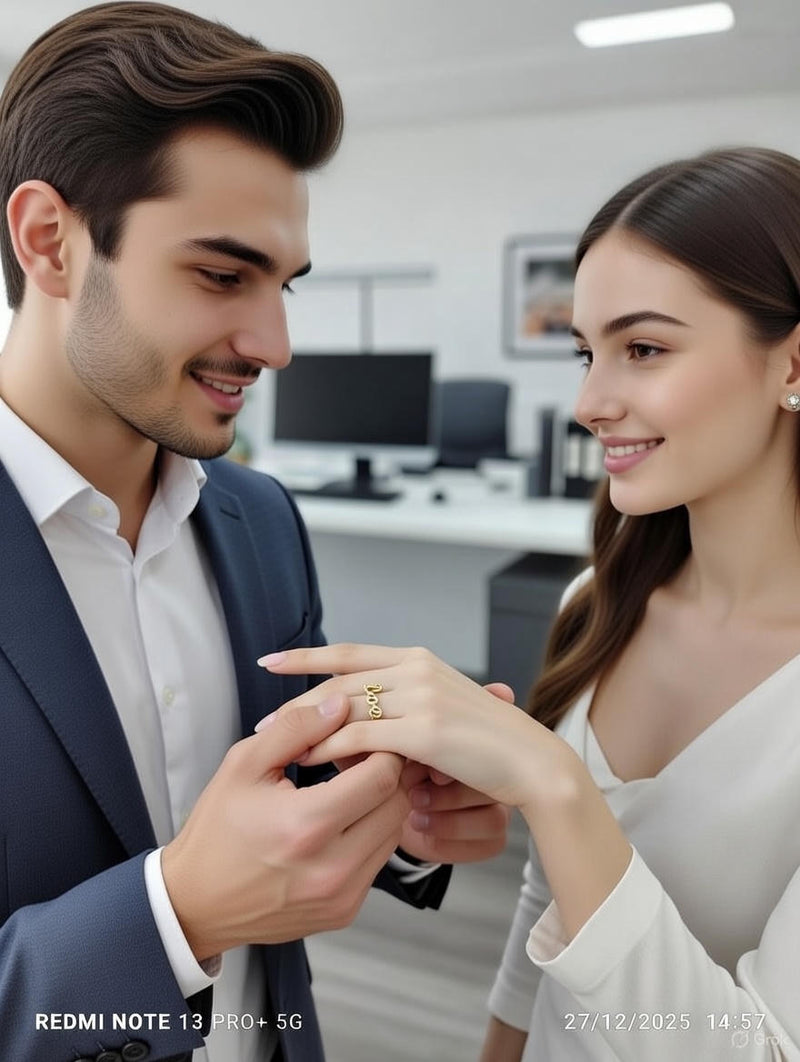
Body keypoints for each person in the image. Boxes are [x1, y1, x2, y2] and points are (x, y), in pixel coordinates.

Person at [0, 5, 511, 1061]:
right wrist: (171, 915)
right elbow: (197, 886)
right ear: (51, 242)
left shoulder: (260, 517)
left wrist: (398, 824)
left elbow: (267, 799)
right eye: (223, 276)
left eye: (283, 286)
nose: (275, 345)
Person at [261, 146, 800, 1060]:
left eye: (644, 348)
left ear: (790, 363)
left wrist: (550, 784)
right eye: (589, 353)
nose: (590, 401)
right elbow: (546, 905)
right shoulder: (598, 602)